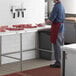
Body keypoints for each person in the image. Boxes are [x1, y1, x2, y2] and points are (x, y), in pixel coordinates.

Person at [46, 0, 65, 68]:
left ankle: (58, 62)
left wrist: (44, 23)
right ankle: (61, 61)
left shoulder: (56, 6)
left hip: (57, 27)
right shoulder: (61, 5)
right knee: (61, 44)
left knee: (57, 45)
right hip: (61, 26)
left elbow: (51, 19)